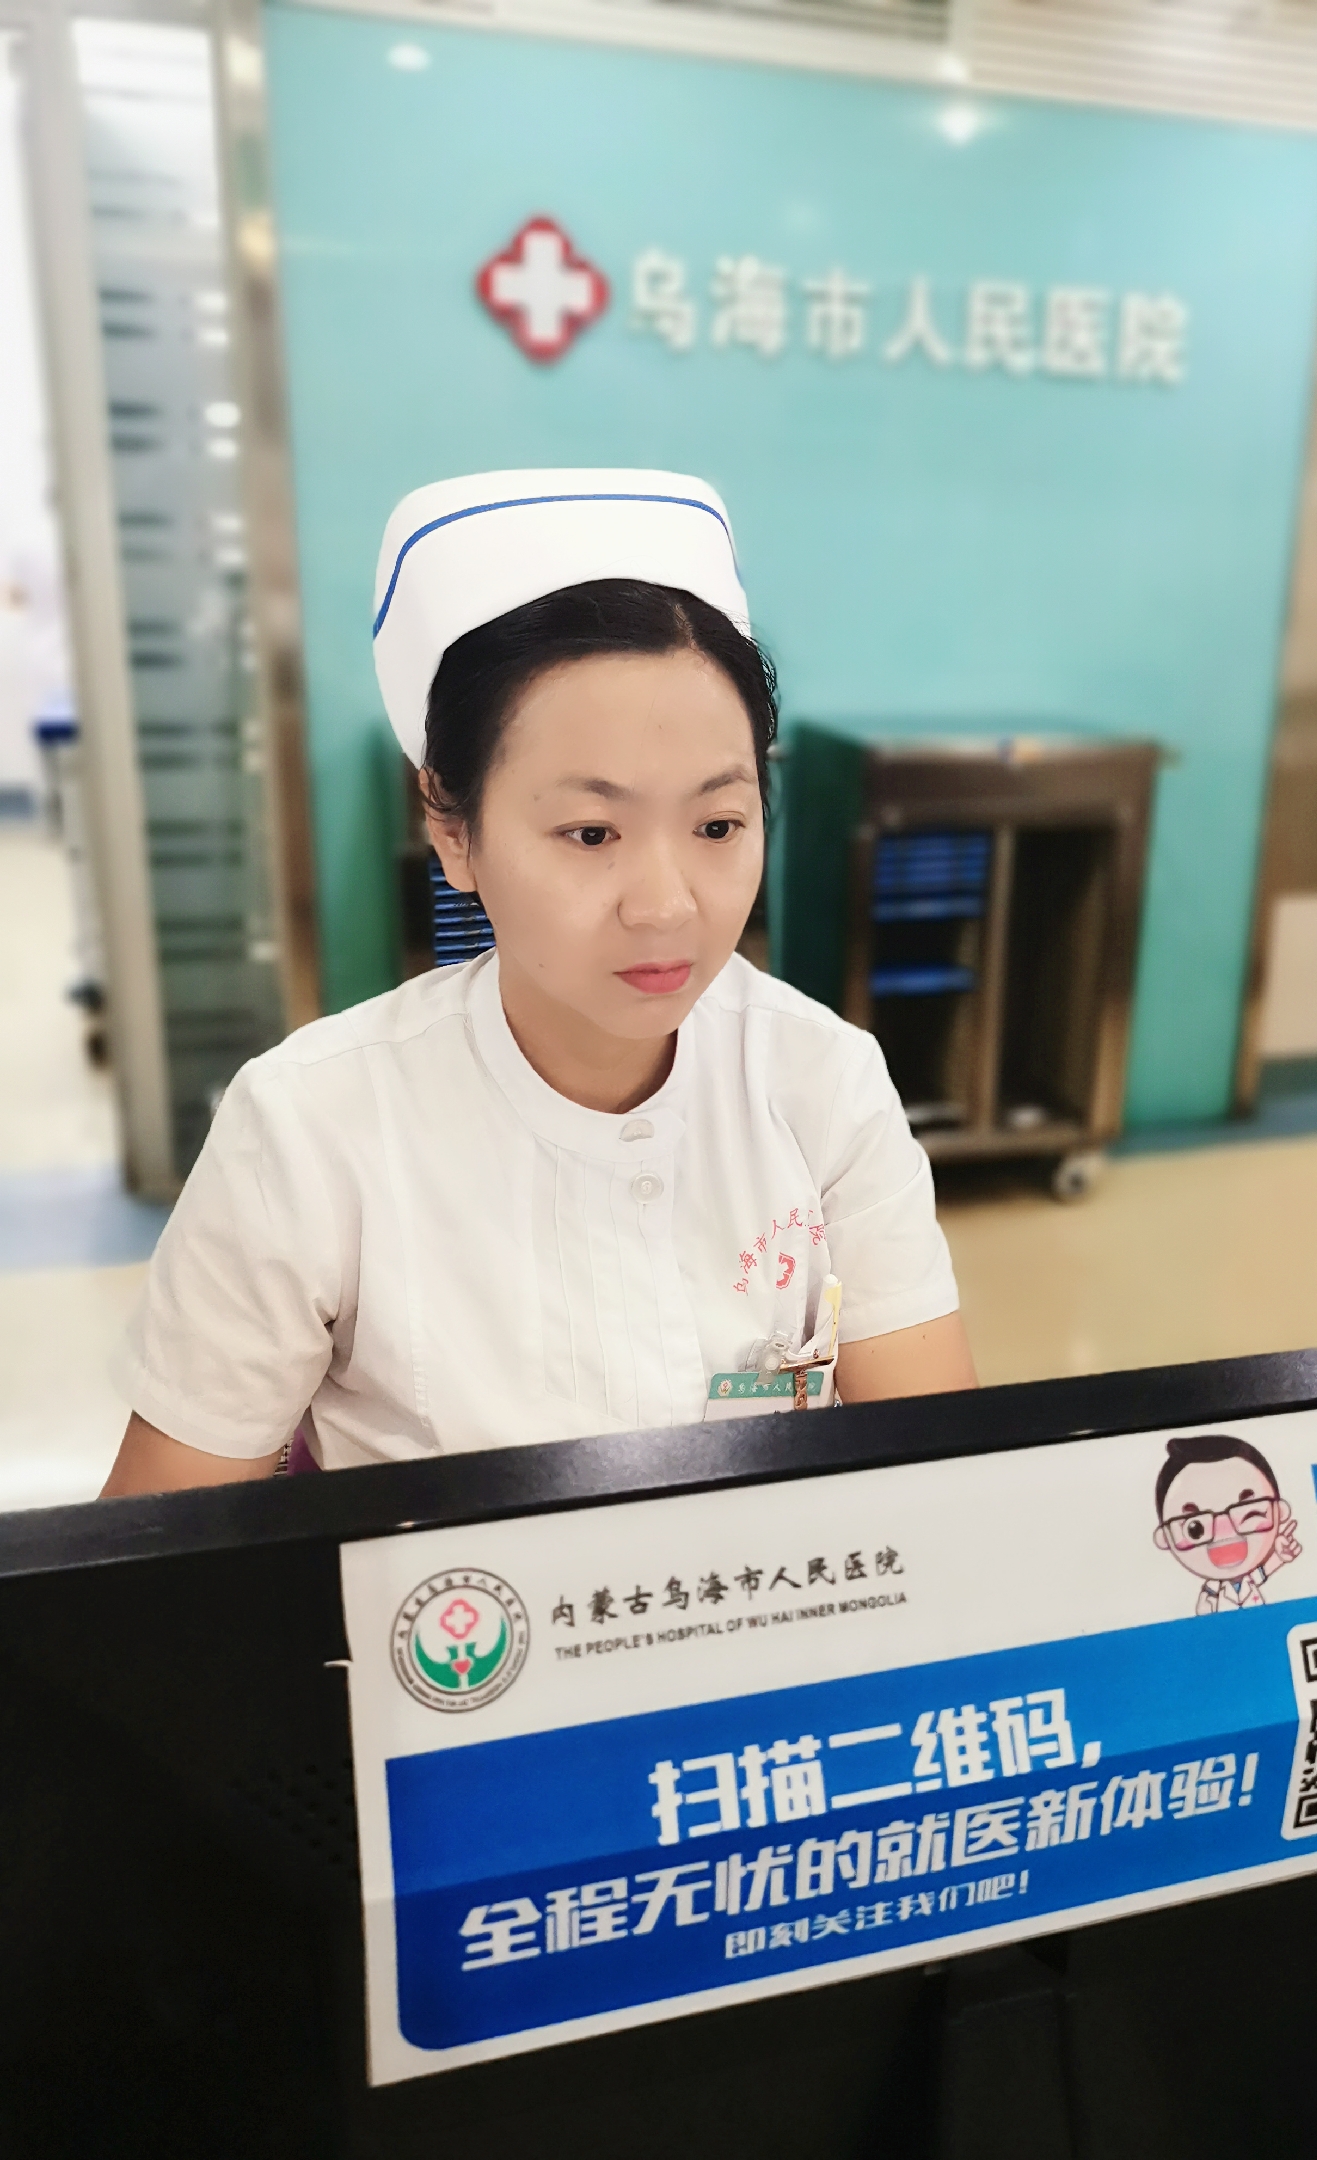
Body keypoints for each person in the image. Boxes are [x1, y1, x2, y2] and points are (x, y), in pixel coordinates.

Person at [101, 470, 976, 1495]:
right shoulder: (308, 1129)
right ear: (452, 830)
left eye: (718, 825)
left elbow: (944, 1482)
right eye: (591, 833)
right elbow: (169, 1554)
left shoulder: (824, 1079)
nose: (667, 906)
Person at [1151, 1432, 1299, 1615]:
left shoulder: (1249, 1580)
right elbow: (1204, 1612)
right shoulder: (1213, 1590)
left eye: (1250, 1514)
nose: (1225, 1533)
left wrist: (1280, 1556)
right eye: (1195, 1529)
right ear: (1165, 1537)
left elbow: (1265, 1570)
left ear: (1280, 1510)